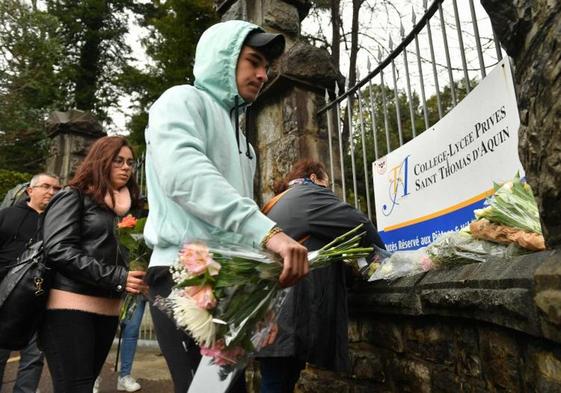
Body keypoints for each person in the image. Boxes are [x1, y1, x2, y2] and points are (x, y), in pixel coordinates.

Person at [143, 19, 309, 393]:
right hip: (182, 273)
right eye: (253, 61)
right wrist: (269, 232)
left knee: (227, 391)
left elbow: (236, 226)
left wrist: (259, 307)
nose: (263, 74)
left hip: (231, 283)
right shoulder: (181, 100)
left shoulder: (245, 146)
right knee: (204, 391)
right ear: (224, 59)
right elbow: (185, 176)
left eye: (266, 67)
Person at [256, 159, 386, 393]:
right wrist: (386, 261)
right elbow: (361, 226)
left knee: (277, 379)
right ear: (315, 178)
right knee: (277, 383)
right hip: (287, 315)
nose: (329, 192)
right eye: (327, 184)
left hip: (266, 310)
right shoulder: (311, 193)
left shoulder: (277, 202)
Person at [38, 136, 148, 393]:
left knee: (85, 386)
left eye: (130, 162)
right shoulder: (72, 196)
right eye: (118, 161)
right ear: (101, 162)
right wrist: (117, 277)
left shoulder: (126, 210)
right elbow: (58, 249)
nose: (126, 168)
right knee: (74, 387)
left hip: (108, 310)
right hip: (68, 308)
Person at [0, 173, 61, 393]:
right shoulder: (6, 216)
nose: (52, 192)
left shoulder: (59, 224)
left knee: (33, 359)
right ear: (30, 191)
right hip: (4, 298)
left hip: (40, 300)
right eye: (46, 186)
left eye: (56, 188)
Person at [116, 296, 146, 392]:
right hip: (113, 288)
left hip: (139, 290)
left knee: (131, 331)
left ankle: (124, 376)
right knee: (102, 331)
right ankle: (93, 377)